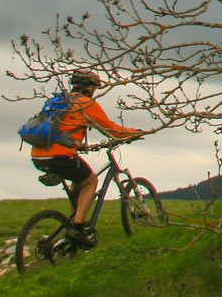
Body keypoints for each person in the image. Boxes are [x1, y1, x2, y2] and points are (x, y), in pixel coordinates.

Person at [29, 69, 144, 247]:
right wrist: (133, 133)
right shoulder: (85, 103)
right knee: (91, 182)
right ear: (89, 88)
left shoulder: (58, 102)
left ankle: (72, 222)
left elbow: (60, 129)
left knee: (78, 181)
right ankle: (77, 227)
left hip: (38, 155)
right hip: (61, 156)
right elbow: (112, 129)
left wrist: (79, 144)